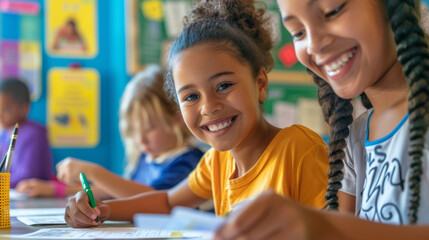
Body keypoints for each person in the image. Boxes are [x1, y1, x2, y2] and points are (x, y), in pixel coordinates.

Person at [63, 0, 329, 228]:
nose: (208, 107)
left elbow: (328, 229)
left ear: (260, 83)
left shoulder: (298, 149)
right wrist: (103, 210)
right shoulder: (217, 161)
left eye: (223, 86)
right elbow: (167, 201)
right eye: (191, 97)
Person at [213, 0, 429, 239]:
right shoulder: (356, 137)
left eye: (332, 11)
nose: (313, 44)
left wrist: (324, 226)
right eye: (298, 32)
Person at [16, 65, 204, 200]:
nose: (140, 140)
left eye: (148, 129)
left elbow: (155, 200)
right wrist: (55, 189)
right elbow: (112, 191)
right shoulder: (147, 158)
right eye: (134, 131)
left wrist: (92, 171)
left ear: (177, 118)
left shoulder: (190, 163)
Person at [0, 78, 54, 188]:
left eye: (5, 109)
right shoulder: (4, 134)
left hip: (35, 198)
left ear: (24, 108)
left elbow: (27, 176)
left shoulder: (34, 134)